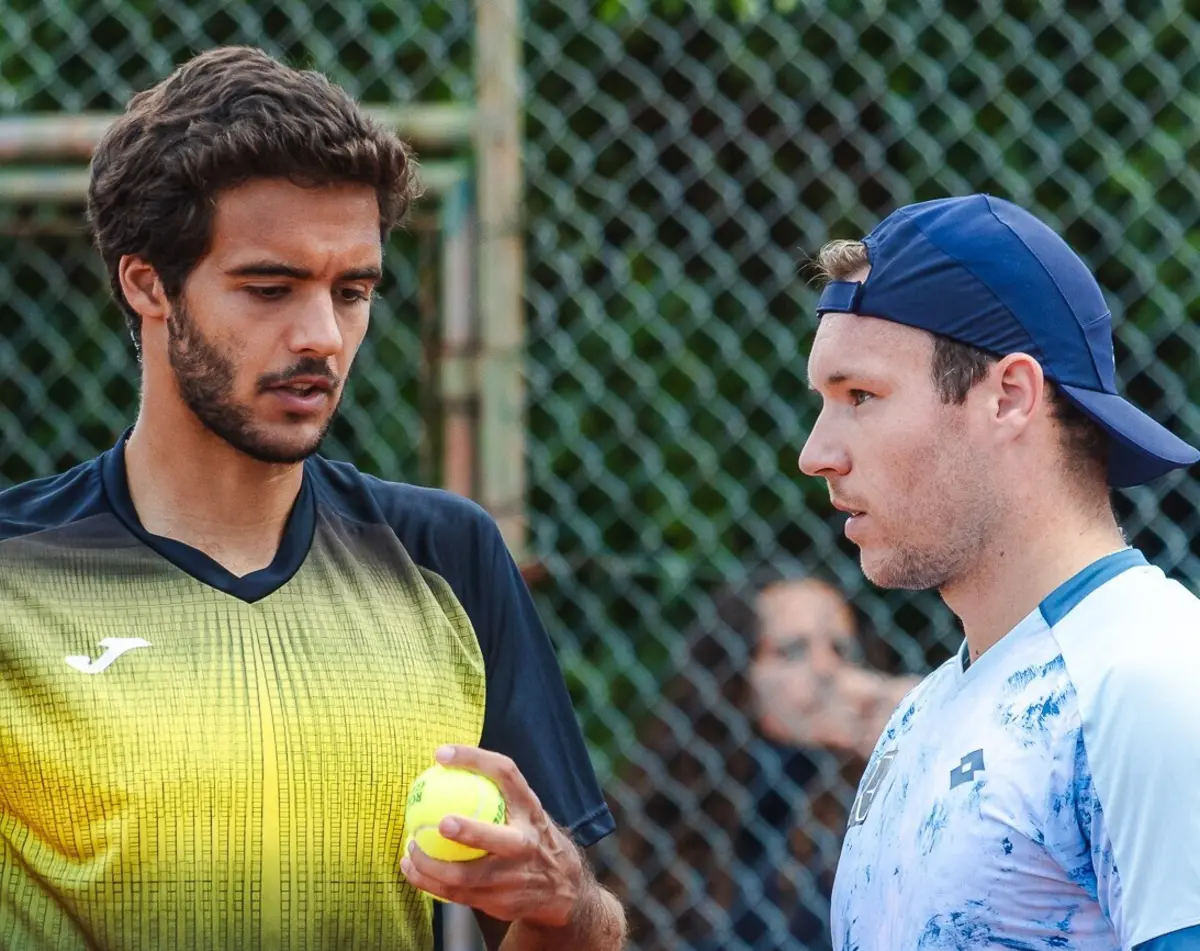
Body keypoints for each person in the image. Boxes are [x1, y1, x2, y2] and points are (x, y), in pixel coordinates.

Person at [0, 46, 625, 951]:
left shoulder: (445, 555)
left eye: (353, 291)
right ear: (148, 285)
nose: (322, 336)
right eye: (270, 288)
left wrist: (570, 904)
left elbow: (572, 934)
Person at [800, 194, 1200, 950]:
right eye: (824, 401)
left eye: (861, 396)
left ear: (1010, 396)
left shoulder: (1153, 683)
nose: (816, 453)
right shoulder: (921, 715)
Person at [601, 568, 914, 951]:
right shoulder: (685, 810)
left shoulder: (892, 791)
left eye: (841, 650)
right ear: (738, 675)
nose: (825, 669)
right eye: (792, 651)